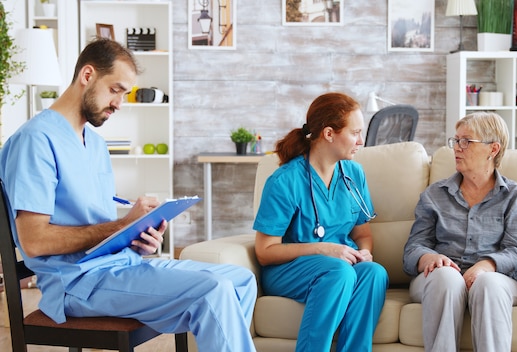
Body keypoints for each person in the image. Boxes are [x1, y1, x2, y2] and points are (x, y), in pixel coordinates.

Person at [0, 38, 257, 352]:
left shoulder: (94, 144)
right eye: (115, 90)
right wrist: (122, 226)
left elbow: (97, 224)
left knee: (241, 279)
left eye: (123, 94)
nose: (119, 104)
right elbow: (34, 241)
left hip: (120, 266)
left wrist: (137, 234)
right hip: (76, 283)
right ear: (87, 75)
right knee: (213, 290)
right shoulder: (34, 141)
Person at [253, 92, 389, 352]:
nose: (361, 141)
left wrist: (366, 252)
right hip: (290, 269)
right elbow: (264, 252)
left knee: (374, 273)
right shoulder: (285, 181)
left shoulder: (353, 173)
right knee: (338, 271)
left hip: (342, 265)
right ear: (329, 134)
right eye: (355, 132)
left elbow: (363, 234)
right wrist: (324, 248)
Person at [402, 111, 517, 352]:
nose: (457, 148)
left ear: (493, 149)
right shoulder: (434, 195)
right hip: (441, 279)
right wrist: (428, 257)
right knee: (445, 277)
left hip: (497, 280)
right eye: (456, 140)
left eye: (466, 141)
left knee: (488, 284)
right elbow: (412, 249)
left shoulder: (514, 196)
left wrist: (486, 266)